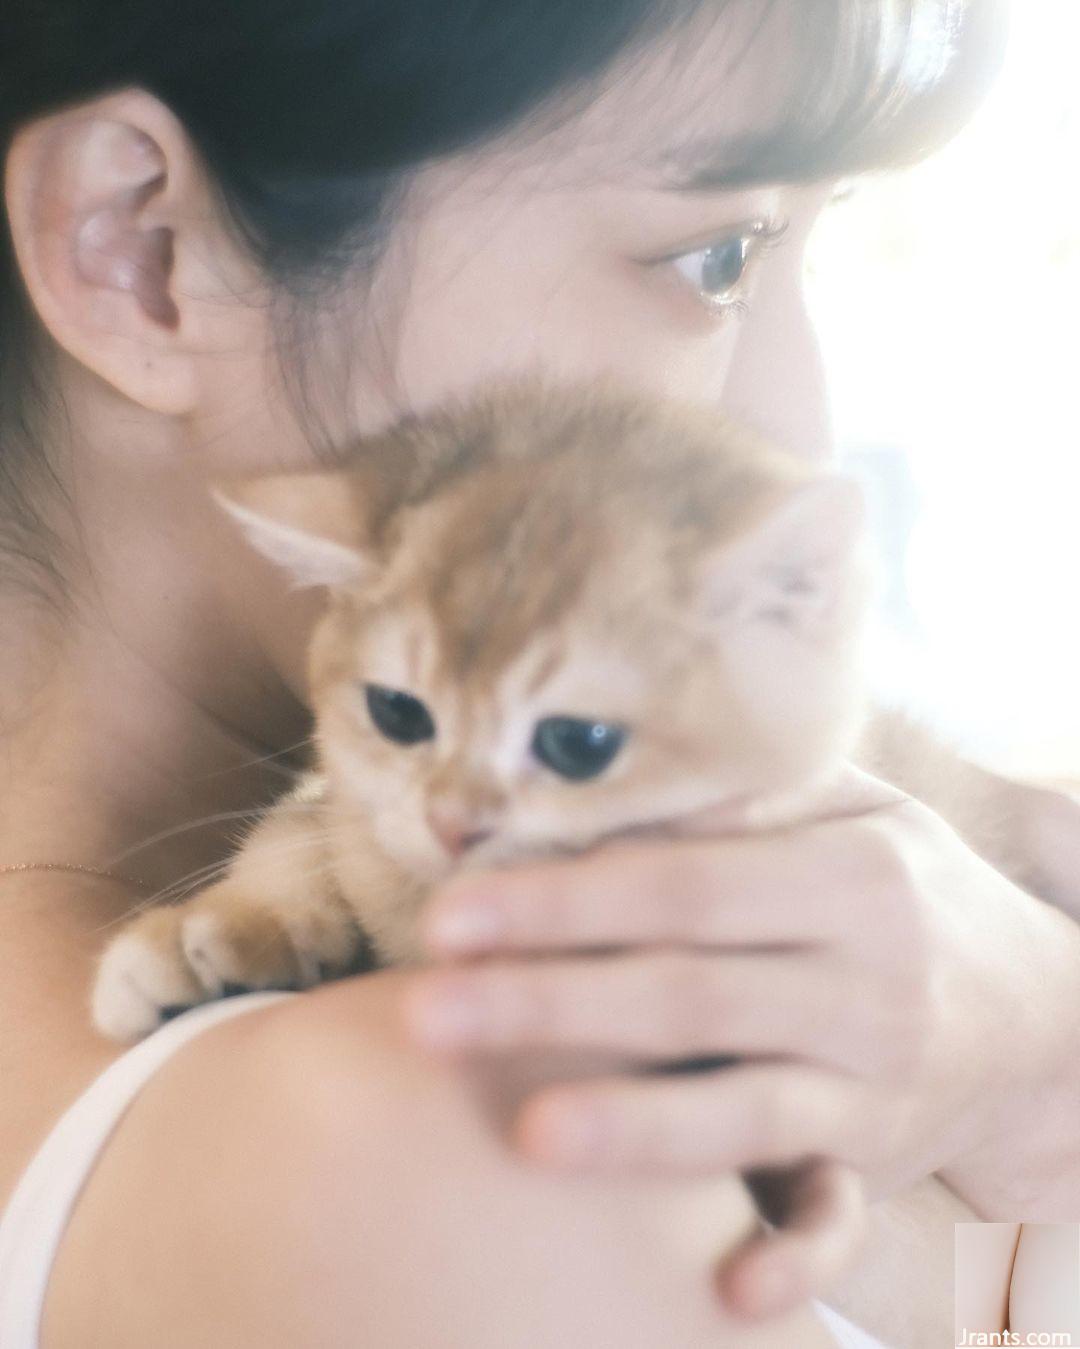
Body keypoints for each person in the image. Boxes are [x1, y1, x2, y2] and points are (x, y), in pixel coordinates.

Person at [1, 0, 1078, 1345]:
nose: (796, 420)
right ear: (141, 253)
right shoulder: (473, 1151)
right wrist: (1050, 1113)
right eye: (717, 255)